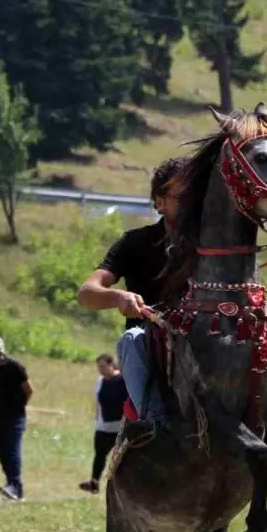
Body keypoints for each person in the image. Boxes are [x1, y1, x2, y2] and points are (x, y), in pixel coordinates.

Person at [77, 157, 188, 446]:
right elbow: (87, 292)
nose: (192, 202)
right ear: (160, 202)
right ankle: (153, 424)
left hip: (204, 332)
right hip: (152, 338)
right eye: (182, 195)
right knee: (131, 339)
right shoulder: (134, 243)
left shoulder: (214, 245)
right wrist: (118, 296)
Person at [0, 333, 33, 501]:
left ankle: (15, 486)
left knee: (12, 450)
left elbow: (28, 389)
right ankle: (12, 486)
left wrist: (19, 405)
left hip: (15, 415)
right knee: (2, 452)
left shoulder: (14, 367)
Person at [80, 353, 127, 493]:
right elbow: (98, 401)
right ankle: (94, 482)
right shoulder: (100, 381)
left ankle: (121, 487)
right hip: (103, 427)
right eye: (98, 367)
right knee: (99, 455)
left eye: (103, 366)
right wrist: (97, 419)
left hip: (120, 427)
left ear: (112, 365)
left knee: (122, 458)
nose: (100, 369)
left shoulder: (122, 381)